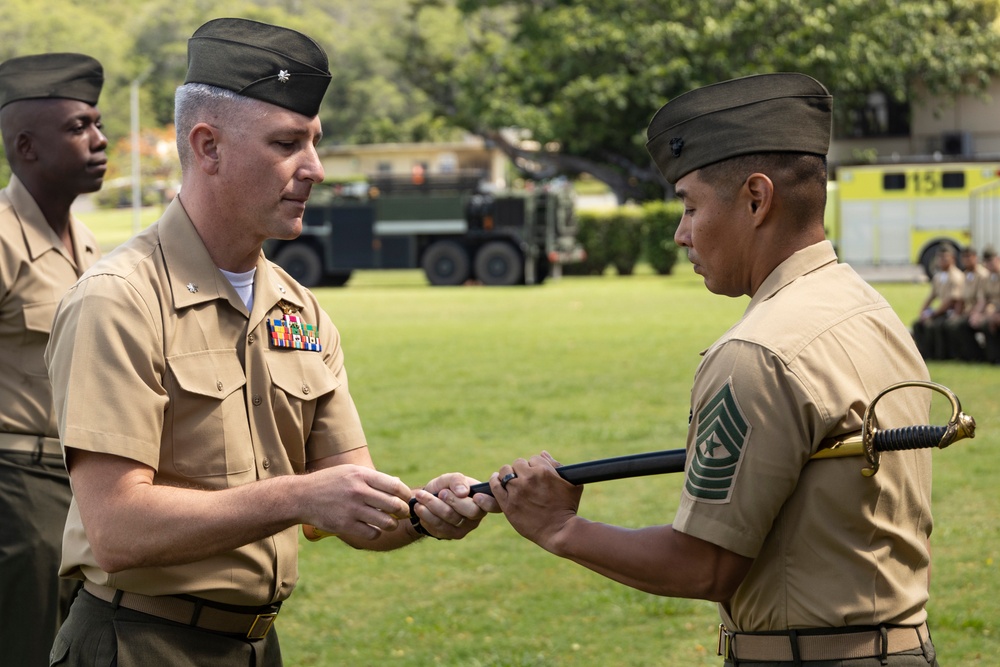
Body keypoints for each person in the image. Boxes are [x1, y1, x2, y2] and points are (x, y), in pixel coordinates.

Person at [44, 18, 497, 666]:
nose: (313, 167)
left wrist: (424, 510)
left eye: (314, 142)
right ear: (209, 148)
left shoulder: (299, 308)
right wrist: (301, 494)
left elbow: (349, 493)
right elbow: (115, 529)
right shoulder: (119, 299)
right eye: (287, 144)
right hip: (137, 642)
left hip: (256, 644)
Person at [490, 73, 938, 666]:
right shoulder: (868, 309)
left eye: (690, 206)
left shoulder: (757, 353)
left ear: (757, 199)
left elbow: (706, 565)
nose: (680, 234)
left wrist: (557, 528)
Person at [0, 52, 107, 667]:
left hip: (83, 489)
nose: (99, 140)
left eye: (97, 124)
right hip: (17, 492)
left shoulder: (87, 244)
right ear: (27, 146)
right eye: (78, 127)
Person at [911, 246, 963, 359]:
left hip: (950, 311)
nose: (941, 261)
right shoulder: (938, 276)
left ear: (952, 259)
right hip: (940, 310)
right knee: (917, 324)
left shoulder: (956, 276)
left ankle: (939, 355)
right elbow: (931, 296)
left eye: (945, 258)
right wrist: (922, 311)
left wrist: (933, 314)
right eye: (939, 258)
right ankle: (923, 353)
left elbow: (952, 300)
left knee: (933, 325)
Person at [940, 246, 990, 361]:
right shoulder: (966, 274)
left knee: (961, 325)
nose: (966, 260)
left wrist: (975, 313)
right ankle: (961, 354)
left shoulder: (982, 275)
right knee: (952, 324)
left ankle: (975, 355)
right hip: (968, 311)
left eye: (969, 257)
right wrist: (957, 314)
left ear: (975, 258)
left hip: (980, 310)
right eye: (964, 257)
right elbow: (961, 299)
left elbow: (982, 299)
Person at [968, 246, 1000, 363]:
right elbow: (982, 300)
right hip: (991, 312)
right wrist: (976, 314)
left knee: (991, 323)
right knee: (974, 322)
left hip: (996, 312)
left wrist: (993, 314)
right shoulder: (987, 278)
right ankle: (988, 357)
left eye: (991, 261)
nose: (989, 264)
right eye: (986, 262)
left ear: (998, 259)